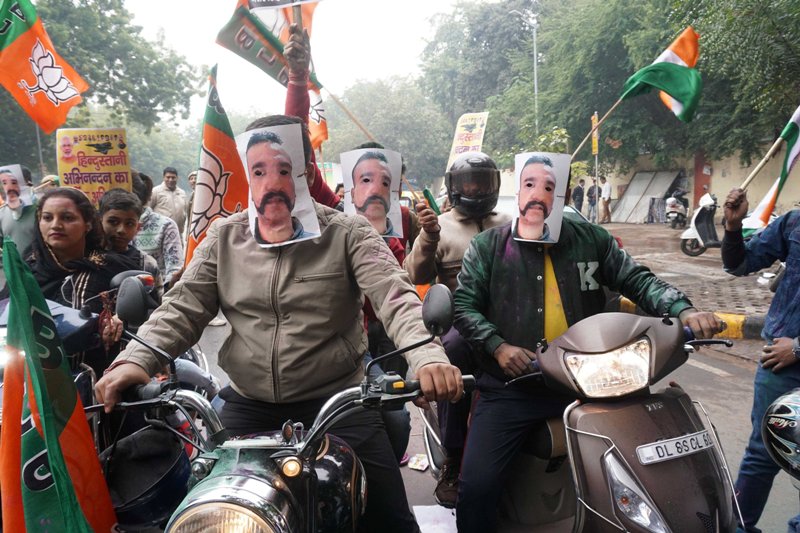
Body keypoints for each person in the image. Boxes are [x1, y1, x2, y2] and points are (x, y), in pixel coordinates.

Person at [95, 113, 464, 533]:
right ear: (248, 176)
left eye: (284, 170)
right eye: (259, 171)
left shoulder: (349, 232)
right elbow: (183, 305)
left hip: (337, 400)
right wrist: (136, 359)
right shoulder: (224, 237)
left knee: (390, 519)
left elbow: (395, 296)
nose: (272, 183)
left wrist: (428, 356)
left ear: (308, 172)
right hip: (249, 404)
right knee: (203, 510)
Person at [452, 195, 725, 532]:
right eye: (531, 185)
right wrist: (498, 347)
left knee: (654, 458)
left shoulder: (592, 239)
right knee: (477, 489)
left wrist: (684, 310)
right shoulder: (488, 246)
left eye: (551, 186)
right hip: (515, 386)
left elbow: (637, 279)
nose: (540, 196)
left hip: (592, 382)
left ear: (563, 192)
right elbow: (464, 306)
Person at [404, 151, 511, 508]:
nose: (476, 190)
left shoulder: (509, 222)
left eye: (483, 182)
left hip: (510, 317)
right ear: (454, 187)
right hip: (461, 321)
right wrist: (428, 236)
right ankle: (453, 457)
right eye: (469, 184)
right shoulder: (441, 225)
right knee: (450, 357)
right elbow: (416, 274)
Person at [722, 188, 800, 533]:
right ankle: (739, 527)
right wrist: (733, 226)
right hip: (779, 367)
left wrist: (797, 348)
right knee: (763, 452)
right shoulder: (793, 224)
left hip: (789, 355)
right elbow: (739, 264)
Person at [21, 187, 140, 374]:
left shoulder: (108, 266)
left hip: (100, 378)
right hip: (35, 376)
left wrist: (120, 317)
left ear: (88, 224)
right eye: (47, 217)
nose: (56, 225)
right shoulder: (25, 271)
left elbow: (147, 310)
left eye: (67, 218)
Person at [244, 130, 315, 243]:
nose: (273, 186)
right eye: (258, 173)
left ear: (309, 175)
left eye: (283, 172)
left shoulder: (341, 237)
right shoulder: (222, 239)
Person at [98, 188, 163, 300]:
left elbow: (157, 301)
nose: (121, 230)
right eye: (113, 222)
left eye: (129, 224)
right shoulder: (88, 259)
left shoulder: (147, 264)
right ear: (100, 222)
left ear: (138, 228)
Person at [131, 172, 184, 287]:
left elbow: (174, 269)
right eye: (168, 177)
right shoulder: (102, 227)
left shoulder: (166, 225)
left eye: (173, 177)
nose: (121, 230)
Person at [350, 151, 400, 237]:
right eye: (366, 180)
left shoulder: (399, 243)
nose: (376, 190)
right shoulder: (341, 240)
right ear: (352, 195)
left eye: (385, 183)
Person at [0, 166, 38, 261]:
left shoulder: (44, 210)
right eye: (4, 183)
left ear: (28, 184)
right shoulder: (2, 213)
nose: (9, 188)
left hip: (41, 269)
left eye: (14, 182)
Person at [515, 154, 556, 242]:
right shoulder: (492, 242)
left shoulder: (561, 247)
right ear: (518, 196)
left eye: (548, 188)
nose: (538, 197)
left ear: (553, 201)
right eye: (529, 185)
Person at [150, 166, 188, 235]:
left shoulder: (182, 193)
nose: (170, 180)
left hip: (178, 233)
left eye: (173, 177)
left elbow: (185, 211)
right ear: (163, 177)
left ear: (177, 178)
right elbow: (148, 210)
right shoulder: (155, 191)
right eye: (168, 177)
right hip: (160, 233)